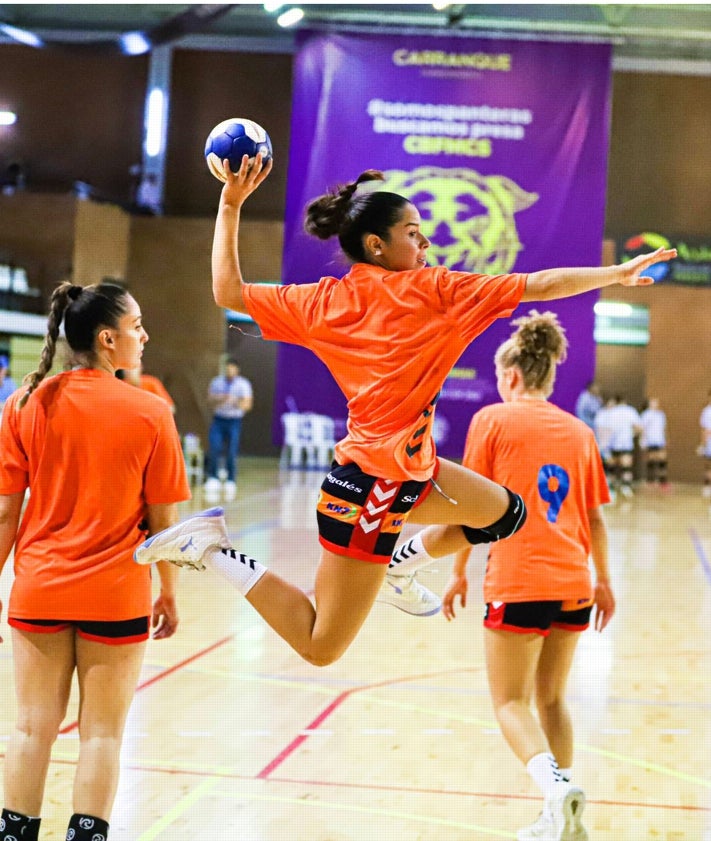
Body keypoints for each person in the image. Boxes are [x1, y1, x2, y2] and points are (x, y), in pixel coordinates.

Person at [134, 152, 673, 673]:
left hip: (409, 474)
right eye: (413, 232)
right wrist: (616, 273)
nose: (425, 241)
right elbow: (541, 284)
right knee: (322, 646)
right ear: (377, 244)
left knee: (506, 513)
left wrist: (230, 206)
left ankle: (399, 565)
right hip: (370, 489)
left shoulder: (327, 301)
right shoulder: (437, 290)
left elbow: (226, 289)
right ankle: (213, 550)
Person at [0, 281, 190, 841]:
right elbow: (164, 524)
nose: (144, 336)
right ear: (108, 340)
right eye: (136, 327)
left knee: (32, 729)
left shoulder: (24, 404)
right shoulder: (151, 413)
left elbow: (6, 514)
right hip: (116, 595)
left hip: (39, 589)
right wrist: (169, 591)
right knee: (102, 734)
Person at [441, 311, 614, 841]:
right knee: (552, 700)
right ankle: (560, 815)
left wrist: (457, 572)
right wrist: (604, 582)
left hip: (518, 581)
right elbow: (594, 518)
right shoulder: (580, 432)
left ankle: (555, 794)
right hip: (573, 584)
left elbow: (471, 510)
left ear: (511, 375)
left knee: (509, 702)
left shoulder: (492, 420)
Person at [204, 357, 253, 502]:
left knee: (231, 450)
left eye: (232, 368)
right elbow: (210, 401)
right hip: (219, 419)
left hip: (234, 420)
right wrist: (221, 399)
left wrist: (236, 401)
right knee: (214, 447)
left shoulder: (243, 384)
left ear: (237, 370)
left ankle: (231, 479)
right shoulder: (217, 382)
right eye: (227, 368)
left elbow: (247, 405)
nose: (229, 371)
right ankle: (213, 477)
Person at [605, 394, 642, 498]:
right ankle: (626, 488)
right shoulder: (630, 411)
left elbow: (606, 429)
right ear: (624, 401)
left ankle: (610, 491)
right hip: (626, 443)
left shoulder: (611, 413)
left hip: (612, 444)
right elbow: (639, 427)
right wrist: (633, 434)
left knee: (611, 468)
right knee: (626, 467)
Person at [639, 397, 668, 487]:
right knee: (651, 459)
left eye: (656, 402)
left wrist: (665, 439)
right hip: (650, 440)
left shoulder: (661, 415)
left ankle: (662, 481)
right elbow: (642, 428)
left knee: (662, 458)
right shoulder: (646, 414)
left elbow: (664, 428)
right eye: (653, 402)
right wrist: (642, 440)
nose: (655, 404)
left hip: (659, 440)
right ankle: (650, 480)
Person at [699, 391, 711, 498]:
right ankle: (707, 487)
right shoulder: (707, 412)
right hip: (710, 443)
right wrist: (703, 444)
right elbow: (705, 430)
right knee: (708, 466)